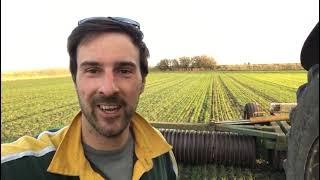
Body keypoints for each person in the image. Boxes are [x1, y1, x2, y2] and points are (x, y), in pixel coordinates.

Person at [1, 17, 179, 180]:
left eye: (124, 70)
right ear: (75, 80)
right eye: (93, 71)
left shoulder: (162, 155)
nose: (108, 89)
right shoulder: (18, 167)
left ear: (143, 82)